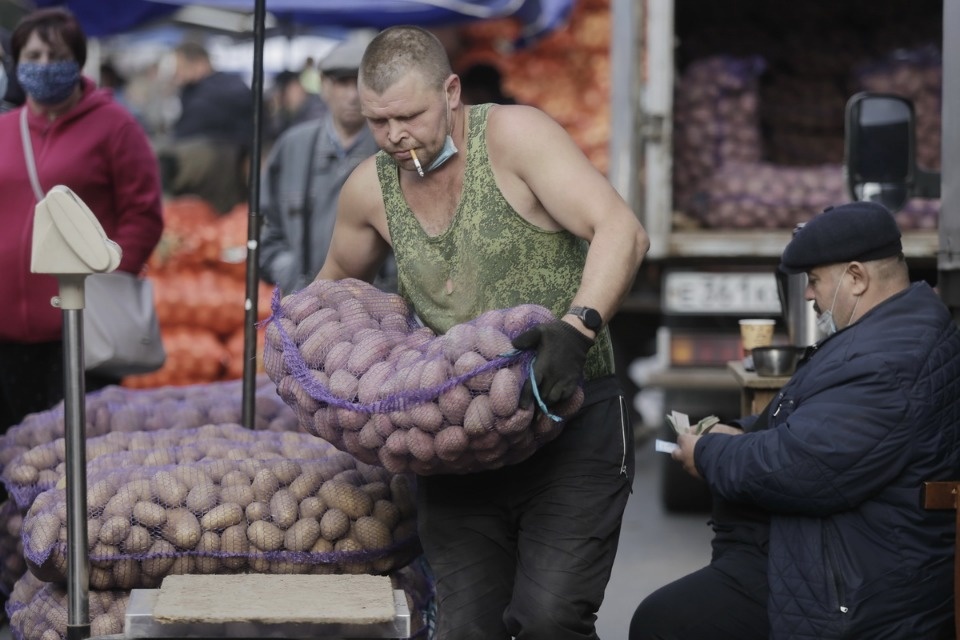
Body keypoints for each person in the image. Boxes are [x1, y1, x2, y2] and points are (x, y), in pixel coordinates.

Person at [316, 25, 650, 639]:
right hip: (456, 444)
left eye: (409, 116)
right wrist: (306, 356)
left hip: (568, 416)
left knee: (550, 619)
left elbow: (620, 231)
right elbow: (333, 290)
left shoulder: (516, 138)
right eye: (378, 121)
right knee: (469, 628)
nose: (395, 136)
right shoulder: (371, 188)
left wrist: (577, 330)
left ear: (450, 91)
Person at [631, 201, 960, 640]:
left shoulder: (888, 360)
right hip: (837, 551)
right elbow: (815, 428)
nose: (808, 294)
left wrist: (709, 453)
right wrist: (737, 432)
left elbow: (803, 466)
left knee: (663, 622)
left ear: (857, 278)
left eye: (815, 280)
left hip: (853, 584)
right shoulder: (889, 334)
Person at [0, 8, 164, 431]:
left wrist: (109, 279)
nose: (42, 66)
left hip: (80, 325)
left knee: (75, 444)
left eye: (55, 56)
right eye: (32, 56)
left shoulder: (115, 127)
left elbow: (143, 215)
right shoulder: (4, 128)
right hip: (7, 331)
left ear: (77, 61)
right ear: (16, 64)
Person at [260, 31, 394, 296]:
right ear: (323, 86)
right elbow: (266, 228)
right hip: (301, 305)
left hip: (374, 313)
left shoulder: (391, 147)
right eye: (342, 82)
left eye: (360, 83)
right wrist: (291, 274)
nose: (352, 95)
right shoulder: (293, 147)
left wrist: (384, 291)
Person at [159, 41, 254, 213]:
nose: (177, 74)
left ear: (199, 63)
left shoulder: (216, 91)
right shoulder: (196, 90)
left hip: (222, 168)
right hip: (210, 169)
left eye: (180, 67)